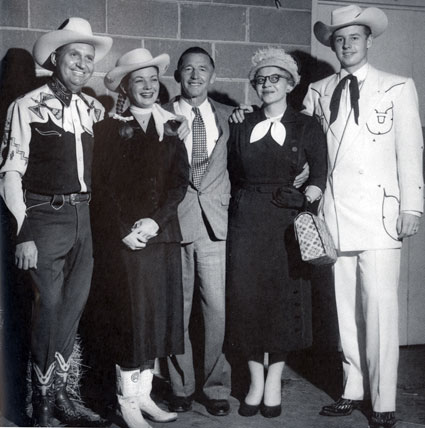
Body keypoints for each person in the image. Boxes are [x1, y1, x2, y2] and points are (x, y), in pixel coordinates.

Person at [302, 5, 424, 428]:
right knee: (345, 309)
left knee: (380, 307)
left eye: (355, 37)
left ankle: (384, 398)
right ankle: (353, 388)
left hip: (381, 214)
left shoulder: (397, 87)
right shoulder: (317, 90)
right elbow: (303, 143)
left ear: (369, 41)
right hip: (334, 214)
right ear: (332, 45)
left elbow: (410, 150)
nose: (348, 45)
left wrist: (413, 206)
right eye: (340, 39)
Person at [0, 18, 112, 427]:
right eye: (73, 56)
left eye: (88, 57)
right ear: (54, 59)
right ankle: (41, 405)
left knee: (72, 308)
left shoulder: (94, 109)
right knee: (46, 308)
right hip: (44, 218)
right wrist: (23, 231)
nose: (82, 64)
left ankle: (65, 397)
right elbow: (10, 172)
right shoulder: (25, 107)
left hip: (84, 215)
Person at [226, 47, 327, 418]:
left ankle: (274, 380)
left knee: (282, 302)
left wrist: (305, 200)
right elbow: (230, 172)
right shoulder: (241, 122)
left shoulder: (307, 126)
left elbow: (319, 175)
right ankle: (255, 380)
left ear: (289, 84)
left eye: (275, 79)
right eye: (260, 80)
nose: (267, 85)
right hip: (246, 221)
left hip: (286, 222)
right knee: (248, 301)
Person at [93, 48, 189, 428]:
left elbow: (178, 184)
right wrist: (125, 232)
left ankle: (145, 396)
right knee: (132, 322)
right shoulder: (110, 130)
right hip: (129, 244)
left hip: (161, 237)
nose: (147, 87)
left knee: (156, 322)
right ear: (126, 88)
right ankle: (126, 402)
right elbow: (102, 188)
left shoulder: (171, 127)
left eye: (152, 80)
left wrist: (156, 222)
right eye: (139, 81)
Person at [162, 46, 233, 417]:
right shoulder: (161, 117)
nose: (194, 75)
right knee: (178, 309)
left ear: (213, 76)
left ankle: (216, 386)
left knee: (216, 310)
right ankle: (181, 386)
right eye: (187, 69)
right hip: (174, 223)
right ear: (177, 75)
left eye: (202, 69)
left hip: (214, 225)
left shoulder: (229, 118)